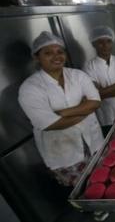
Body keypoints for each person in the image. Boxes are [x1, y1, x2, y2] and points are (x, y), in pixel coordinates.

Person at [18, 31, 104, 187]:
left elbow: (96, 102)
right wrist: (84, 109)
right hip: (63, 151)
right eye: (48, 53)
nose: (56, 56)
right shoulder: (30, 88)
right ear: (37, 57)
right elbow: (49, 124)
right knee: (79, 187)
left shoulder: (78, 76)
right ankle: (90, 210)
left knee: (100, 178)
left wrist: (62, 113)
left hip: (93, 141)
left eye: (60, 51)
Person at [83, 26, 115, 136]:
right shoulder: (89, 67)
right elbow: (94, 95)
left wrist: (102, 93)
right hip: (106, 116)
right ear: (93, 44)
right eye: (100, 42)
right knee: (113, 143)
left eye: (108, 41)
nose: (105, 45)